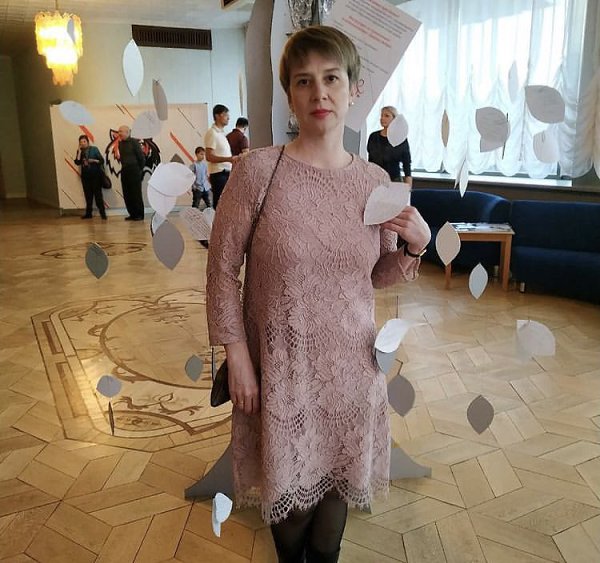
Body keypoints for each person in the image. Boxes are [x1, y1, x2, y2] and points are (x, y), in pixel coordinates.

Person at [206, 26, 430, 563]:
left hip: (352, 370)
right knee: (291, 519)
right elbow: (221, 269)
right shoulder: (258, 171)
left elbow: (376, 276)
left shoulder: (374, 181)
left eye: (332, 78)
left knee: (330, 523)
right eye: (304, 81)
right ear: (290, 94)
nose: (319, 93)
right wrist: (238, 356)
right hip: (283, 372)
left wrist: (416, 247)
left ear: (354, 89)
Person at [367, 106, 413, 186]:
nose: (382, 118)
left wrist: (408, 186)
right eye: (381, 116)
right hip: (375, 180)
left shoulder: (400, 138)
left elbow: (407, 163)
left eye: (386, 116)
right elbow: (370, 161)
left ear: (394, 119)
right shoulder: (373, 136)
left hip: (394, 180)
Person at [204, 105, 237, 210]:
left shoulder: (221, 134)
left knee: (227, 204)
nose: (228, 118)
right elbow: (209, 156)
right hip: (219, 173)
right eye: (225, 115)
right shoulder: (212, 133)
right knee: (220, 205)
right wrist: (228, 159)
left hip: (226, 172)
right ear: (217, 116)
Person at [74, 135, 106, 220]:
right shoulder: (80, 151)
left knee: (98, 195)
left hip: (95, 175)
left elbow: (102, 161)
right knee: (88, 195)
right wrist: (79, 151)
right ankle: (88, 214)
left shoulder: (94, 149)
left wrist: (94, 160)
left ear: (88, 142)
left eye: (84, 141)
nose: (82, 143)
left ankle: (103, 214)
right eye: (81, 142)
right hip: (85, 177)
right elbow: (77, 162)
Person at [117, 125, 145, 221]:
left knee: (135, 193)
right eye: (119, 131)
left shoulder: (134, 142)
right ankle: (132, 214)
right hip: (125, 170)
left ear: (127, 132)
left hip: (134, 170)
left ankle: (139, 214)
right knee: (127, 193)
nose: (119, 133)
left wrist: (139, 170)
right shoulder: (120, 144)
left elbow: (141, 157)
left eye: (121, 131)